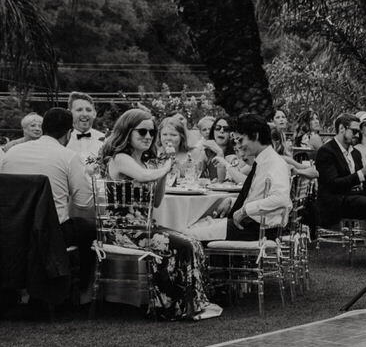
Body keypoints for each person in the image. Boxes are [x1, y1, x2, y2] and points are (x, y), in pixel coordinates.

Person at [97, 109, 221, 321]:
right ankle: (172, 305)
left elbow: (156, 200)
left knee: (192, 240)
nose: (148, 137)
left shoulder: (144, 161)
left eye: (152, 132)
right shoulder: (120, 158)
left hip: (144, 227)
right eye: (142, 132)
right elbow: (145, 177)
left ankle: (192, 302)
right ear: (128, 132)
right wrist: (165, 165)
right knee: (183, 245)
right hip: (122, 230)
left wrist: (166, 171)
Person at [1, 106, 98, 298]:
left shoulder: (12, 153)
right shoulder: (68, 157)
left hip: (10, 229)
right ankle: (80, 292)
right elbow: (84, 203)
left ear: (43, 127)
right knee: (89, 229)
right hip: (51, 232)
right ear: (69, 132)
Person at [189, 115, 291, 244]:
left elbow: (281, 199)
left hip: (256, 230)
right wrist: (233, 201)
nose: (240, 146)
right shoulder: (264, 160)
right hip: (252, 225)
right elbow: (257, 195)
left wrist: (244, 211)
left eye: (241, 140)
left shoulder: (274, 163)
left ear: (256, 136)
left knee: (188, 236)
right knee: (194, 225)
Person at [315, 111, 366, 265]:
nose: (356, 134)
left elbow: (363, 184)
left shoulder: (354, 153)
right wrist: (362, 173)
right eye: (354, 131)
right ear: (341, 129)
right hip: (336, 202)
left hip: (355, 198)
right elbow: (334, 184)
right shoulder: (326, 152)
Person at [65, 92, 104, 162]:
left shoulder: (105, 141)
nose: (84, 114)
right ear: (69, 113)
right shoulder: (61, 140)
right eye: (79, 110)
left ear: (94, 114)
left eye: (88, 110)